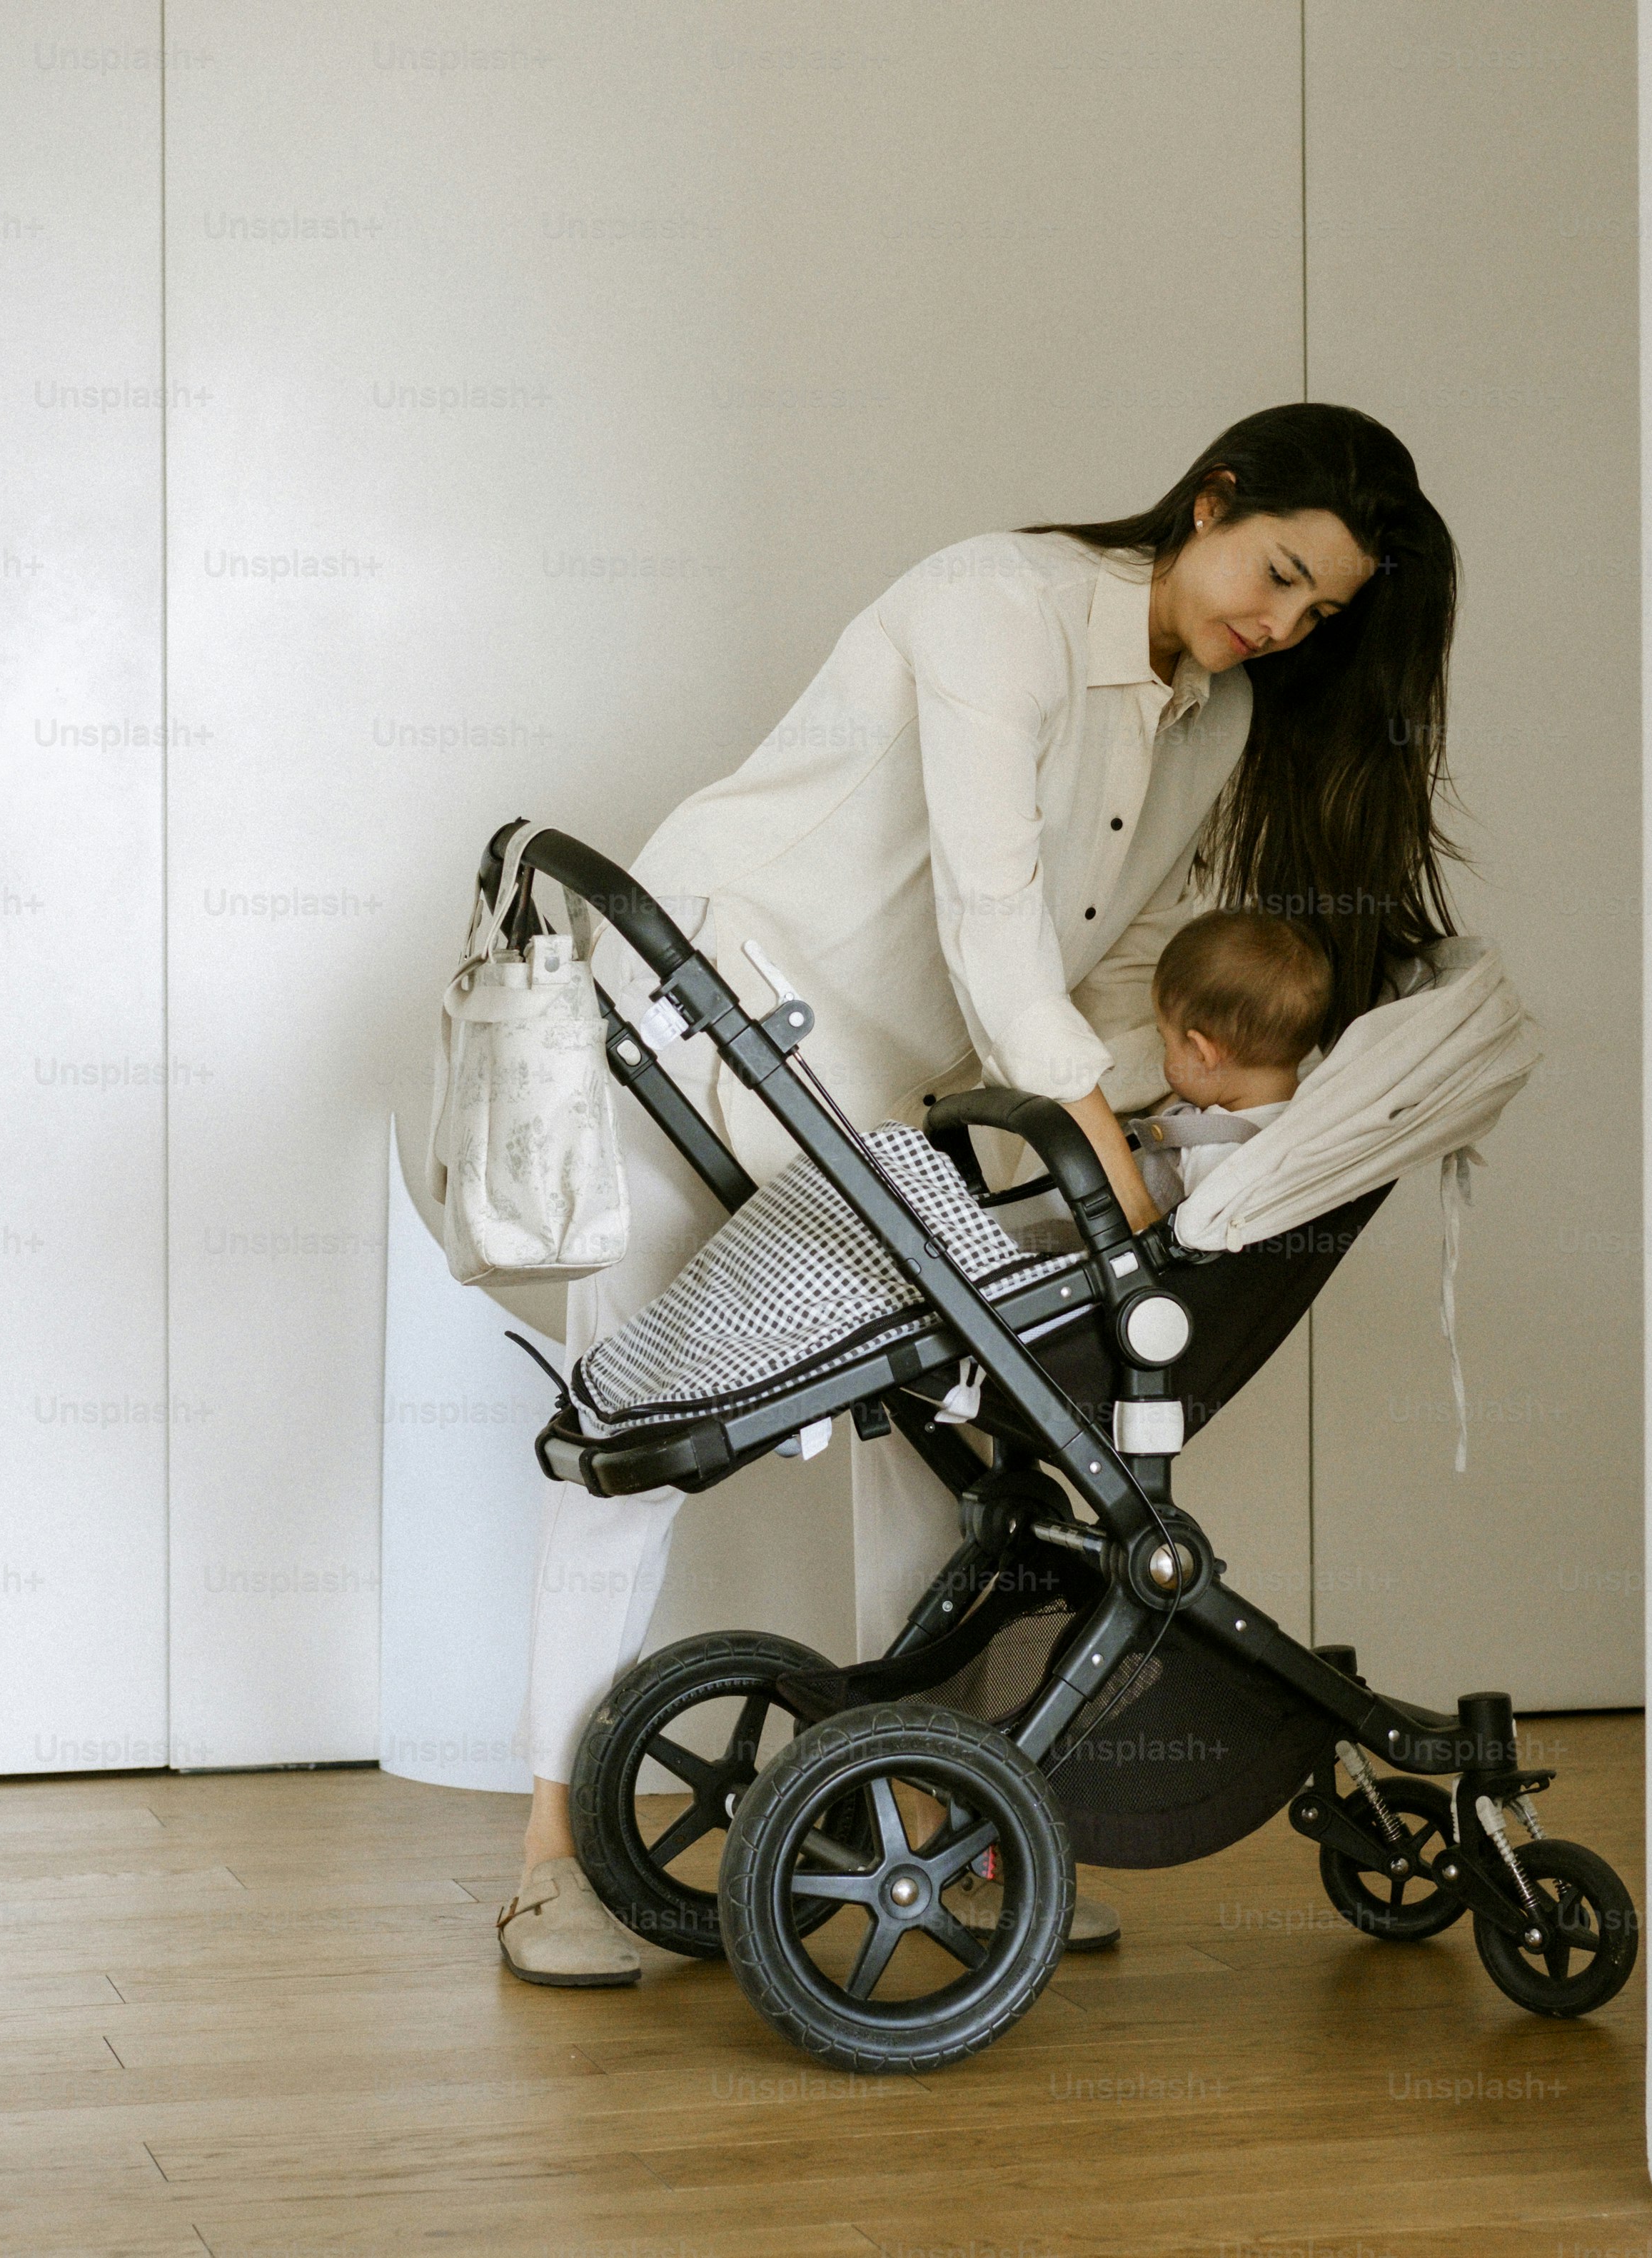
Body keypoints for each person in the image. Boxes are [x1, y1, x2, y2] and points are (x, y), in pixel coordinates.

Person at [497, 402, 1462, 1986]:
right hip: (685, 1039)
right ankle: (549, 1858)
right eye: (1279, 572)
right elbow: (995, 926)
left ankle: (946, 1826)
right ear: (1210, 500)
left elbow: (1105, 975)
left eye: (1320, 613)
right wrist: (1110, 1174)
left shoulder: (1208, 719)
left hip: (867, 1117)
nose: (1282, 625)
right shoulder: (996, 608)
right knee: (630, 1442)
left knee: (947, 1456)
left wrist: (1230, 1084)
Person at [1129, 909, 1331, 1215]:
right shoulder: (1321, 1111)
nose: (1163, 1052)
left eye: (1165, 1041)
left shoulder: (1216, 1157)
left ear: (1202, 1052)